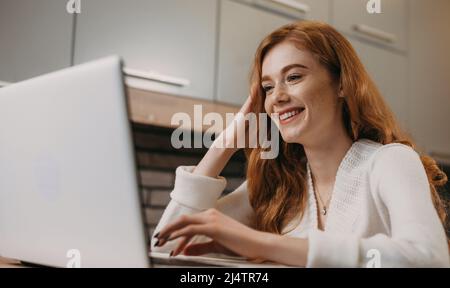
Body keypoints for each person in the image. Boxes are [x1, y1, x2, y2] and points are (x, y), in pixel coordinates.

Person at [151, 21, 449, 267]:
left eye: (293, 77)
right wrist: (225, 143)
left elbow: (429, 259)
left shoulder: (390, 162)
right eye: (268, 87)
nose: (277, 97)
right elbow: (167, 249)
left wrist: (265, 245)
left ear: (342, 83)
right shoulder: (276, 185)